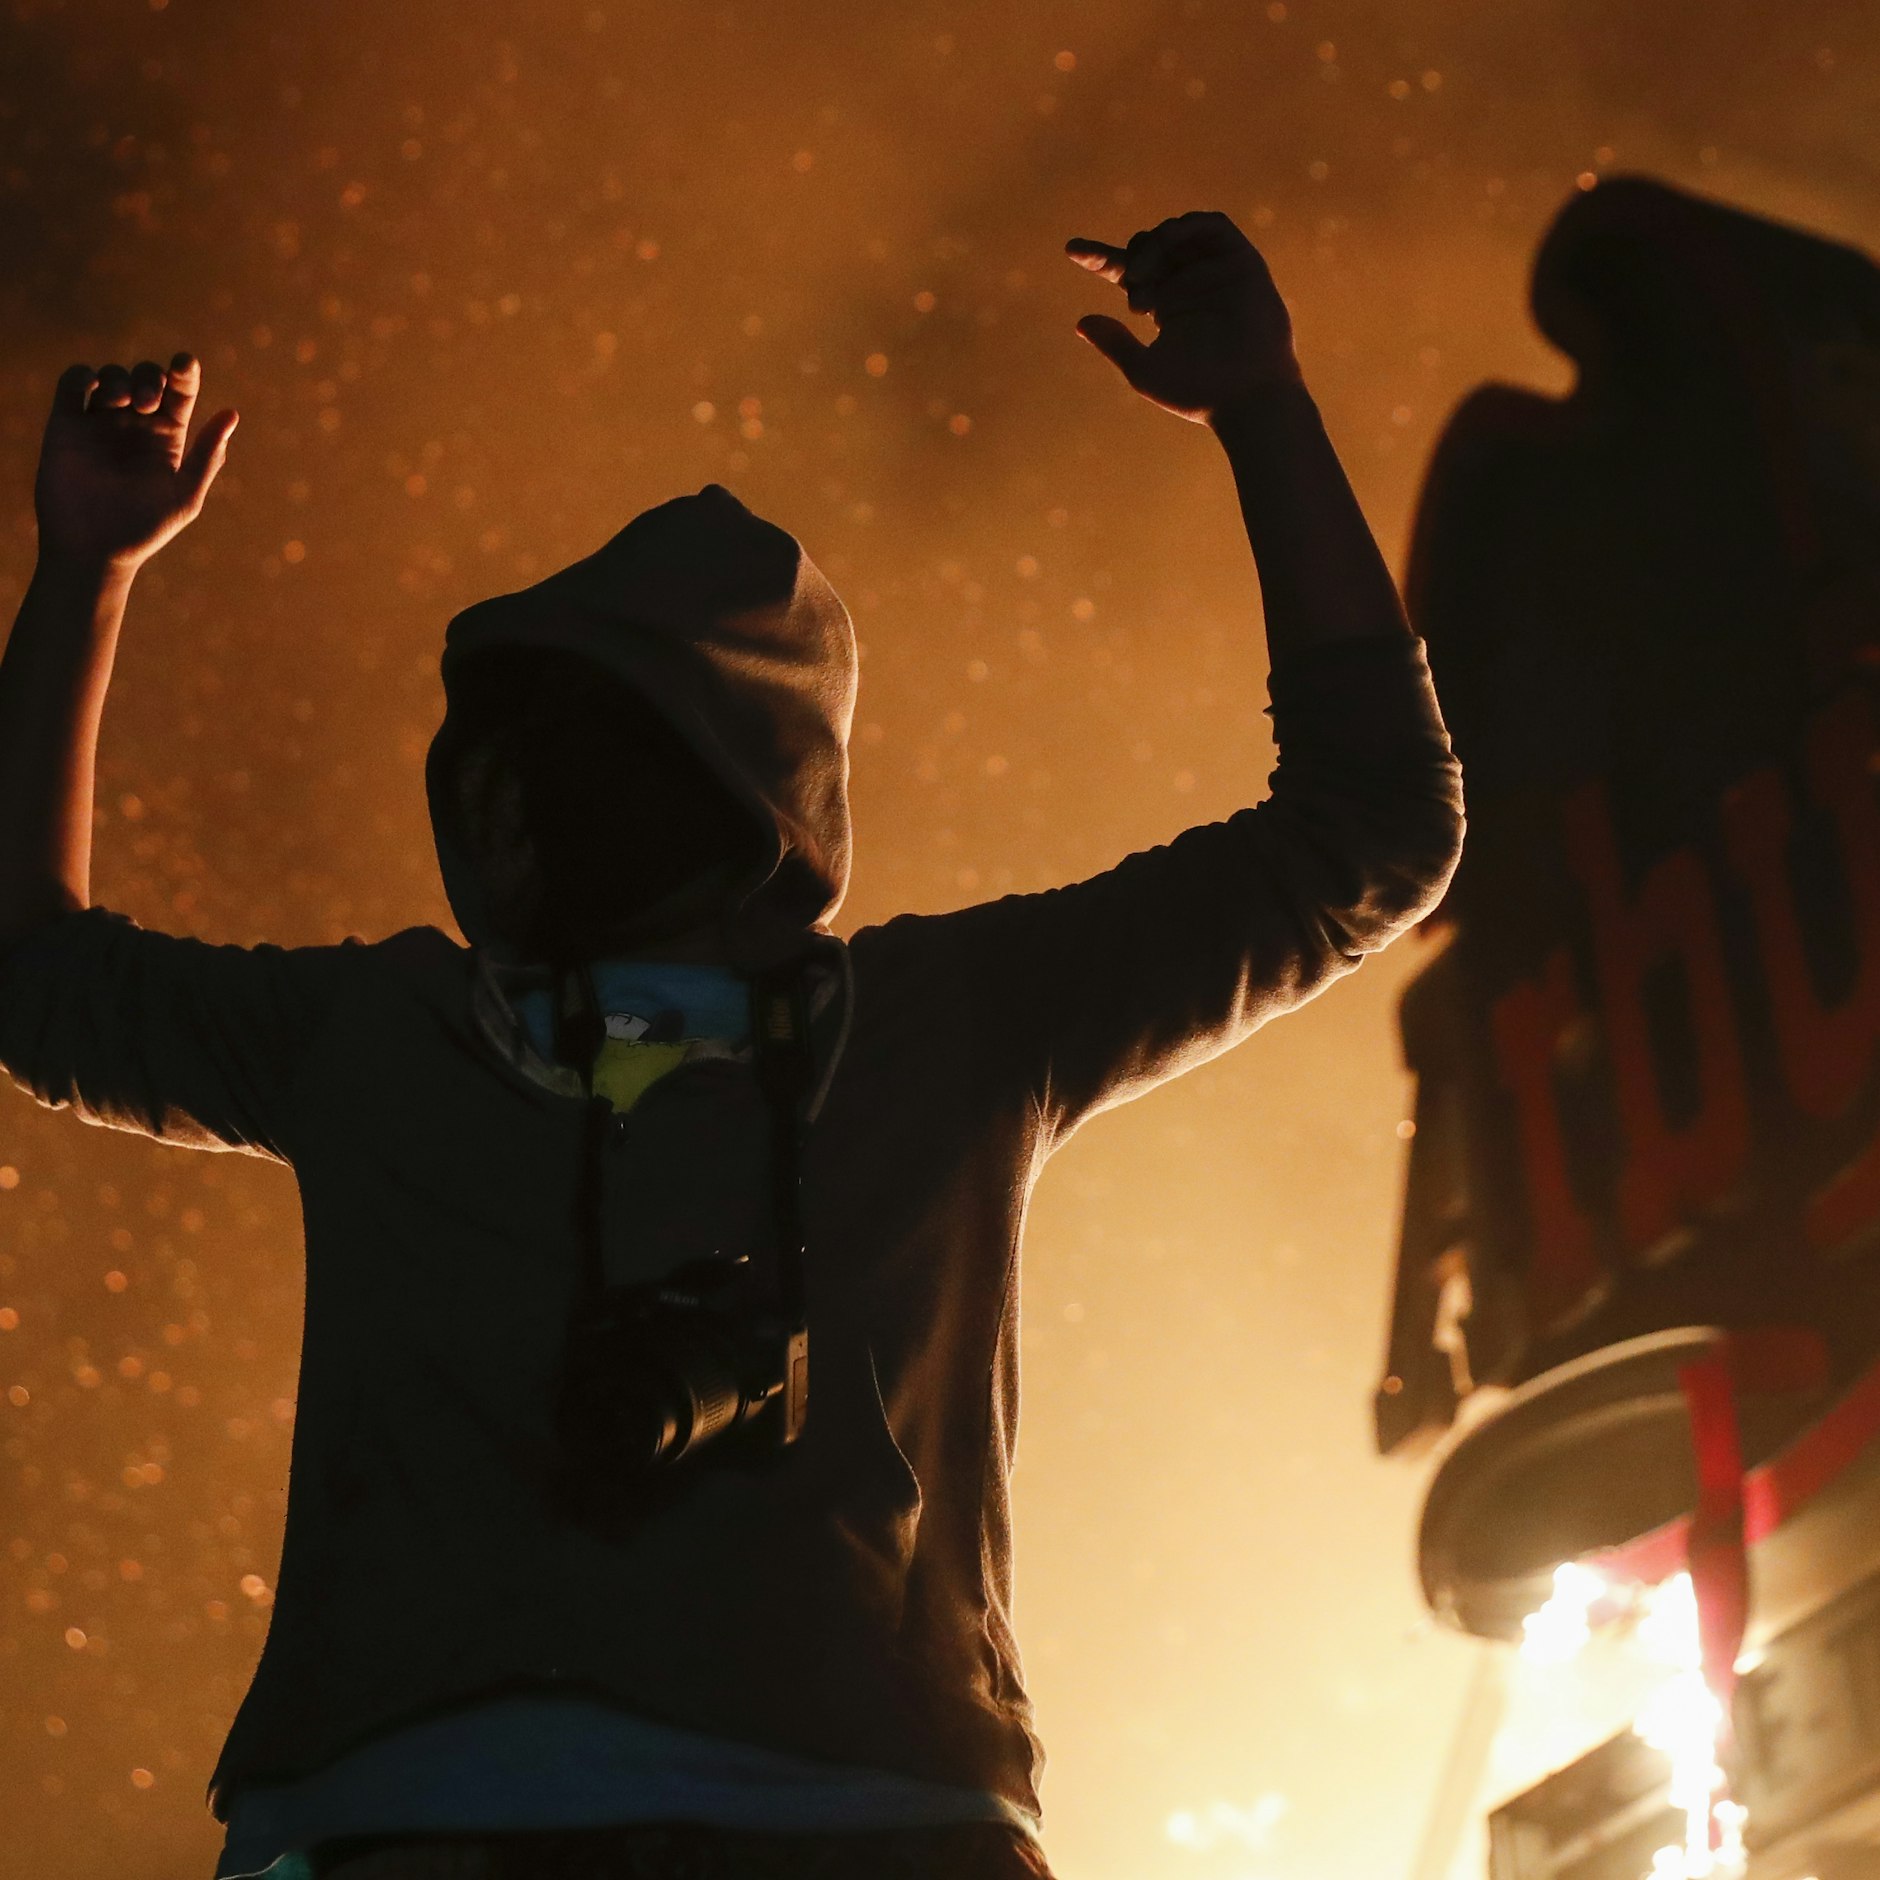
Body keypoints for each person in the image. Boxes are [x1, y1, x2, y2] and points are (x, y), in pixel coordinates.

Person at [0, 210, 1465, 1880]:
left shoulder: (380, 1040)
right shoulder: (949, 1029)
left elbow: (26, 974)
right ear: (785, 800)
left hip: (388, 1826)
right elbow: (1373, 830)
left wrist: (85, 572)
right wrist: (1260, 409)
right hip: (873, 1825)